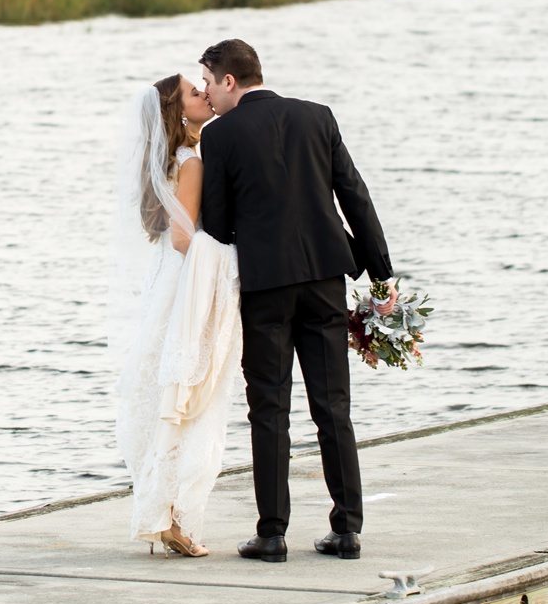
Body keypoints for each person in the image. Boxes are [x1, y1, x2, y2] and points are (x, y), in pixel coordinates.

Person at [198, 38, 393, 564]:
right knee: (333, 405)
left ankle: (272, 533)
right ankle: (347, 529)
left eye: (210, 83)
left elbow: (215, 225)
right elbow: (355, 194)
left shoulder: (219, 136)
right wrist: (382, 275)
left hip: (266, 286)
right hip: (326, 277)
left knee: (270, 408)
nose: (207, 95)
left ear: (231, 80)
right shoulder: (317, 117)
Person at [109, 73, 241, 557]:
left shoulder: (165, 162)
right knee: (192, 395)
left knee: (168, 391)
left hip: (164, 281)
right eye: (193, 91)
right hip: (185, 284)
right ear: (178, 112)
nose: (204, 94)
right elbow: (186, 237)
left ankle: (161, 511)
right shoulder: (190, 163)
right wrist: (233, 254)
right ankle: (174, 518)